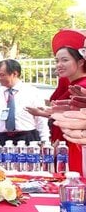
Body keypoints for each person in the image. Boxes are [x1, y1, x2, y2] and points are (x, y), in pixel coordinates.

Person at [26, 29, 86, 174]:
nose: (59, 65)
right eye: (57, 61)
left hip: (77, 145)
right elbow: (61, 111)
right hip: (64, 141)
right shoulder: (68, 83)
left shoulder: (82, 86)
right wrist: (44, 113)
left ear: (80, 61)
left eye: (65, 60)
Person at [0, 59, 49, 145]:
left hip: (27, 138)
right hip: (1, 139)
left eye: (2, 75)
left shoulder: (32, 92)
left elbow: (41, 120)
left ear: (15, 74)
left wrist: (44, 140)